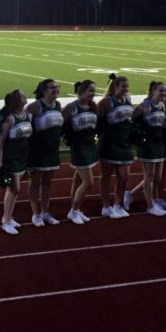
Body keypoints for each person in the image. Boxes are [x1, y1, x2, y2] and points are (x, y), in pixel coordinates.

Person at [128, 81, 166, 216]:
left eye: (165, 91)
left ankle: (130, 194)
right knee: (149, 176)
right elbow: (132, 120)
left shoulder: (162, 106)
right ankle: (150, 205)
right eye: (161, 90)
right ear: (153, 91)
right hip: (147, 145)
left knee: (157, 177)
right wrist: (139, 133)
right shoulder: (145, 106)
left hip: (159, 144)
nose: (164, 93)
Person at [26, 79, 63, 227]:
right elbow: (25, 127)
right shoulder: (35, 106)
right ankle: (35, 214)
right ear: (44, 90)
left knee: (48, 182)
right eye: (52, 88)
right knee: (35, 182)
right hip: (38, 151)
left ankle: (45, 212)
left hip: (53, 150)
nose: (55, 90)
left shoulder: (58, 105)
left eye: (57, 87)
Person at [0, 89, 32, 234]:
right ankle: (6, 221)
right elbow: (1, 142)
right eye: (23, 96)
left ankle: (7, 218)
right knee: (14, 189)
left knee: (14, 190)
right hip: (11, 158)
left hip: (23, 157)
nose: (25, 97)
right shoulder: (10, 119)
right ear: (17, 101)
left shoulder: (27, 116)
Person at [98, 73, 134, 218]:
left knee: (124, 176)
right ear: (115, 86)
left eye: (127, 86)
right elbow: (99, 122)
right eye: (123, 86)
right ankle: (106, 206)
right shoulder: (106, 102)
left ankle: (118, 204)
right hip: (109, 142)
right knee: (106, 176)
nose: (126, 88)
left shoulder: (128, 99)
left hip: (124, 142)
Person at [63, 80, 98, 225]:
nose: (93, 93)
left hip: (90, 146)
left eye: (94, 91)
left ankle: (75, 208)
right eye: (90, 90)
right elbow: (61, 124)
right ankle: (74, 211)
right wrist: (68, 137)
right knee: (89, 182)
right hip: (78, 148)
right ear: (81, 92)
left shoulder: (93, 107)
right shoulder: (71, 107)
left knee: (78, 179)